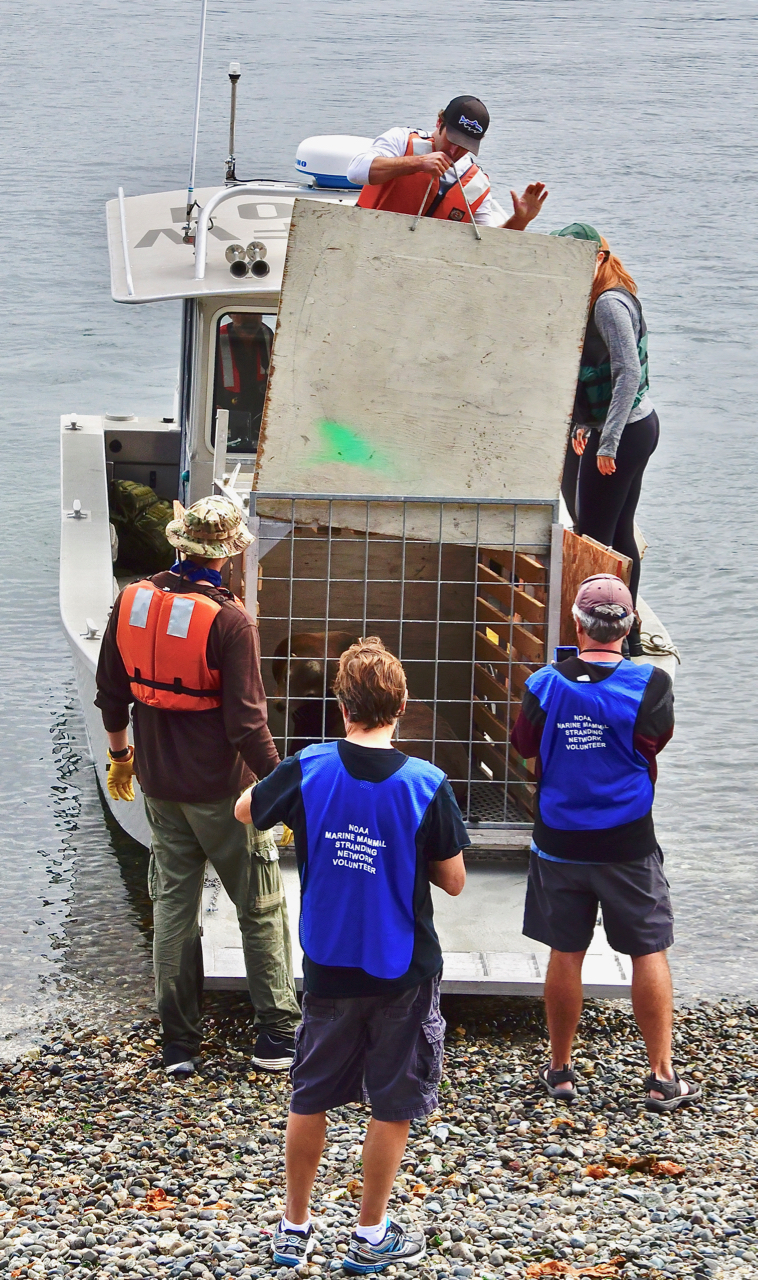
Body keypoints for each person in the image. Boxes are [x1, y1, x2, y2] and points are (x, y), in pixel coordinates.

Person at [235, 637, 468, 1272]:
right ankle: (369, 1233)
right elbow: (453, 880)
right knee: (392, 1100)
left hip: (328, 961)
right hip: (403, 966)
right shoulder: (426, 784)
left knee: (308, 1094)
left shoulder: (311, 767)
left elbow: (244, 811)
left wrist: (306, 820)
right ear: (402, 707)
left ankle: (294, 1226)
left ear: (343, 709)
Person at [94, 496, 301, 1076]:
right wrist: (282, 790)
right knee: (259, 908)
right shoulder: (231, 620)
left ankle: (179, 1045)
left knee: (174, 911)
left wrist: (120, 757)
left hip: (160, 788)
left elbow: (112, 693)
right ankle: (275, 1037)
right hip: (226, 796)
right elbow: (247, 724)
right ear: (229, 554)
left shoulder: (130, 601)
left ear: (179, 543)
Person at [511, 575, 702, 1113]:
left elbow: (523, 743)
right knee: (648, 950)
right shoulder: (650, 686)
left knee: (565, 952)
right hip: (627, 843)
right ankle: (662, 1076)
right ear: (631, 625)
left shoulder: (545, 684)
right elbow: (654, 740)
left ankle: (560, 1069)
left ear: (577, 624)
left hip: (559, 841)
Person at [554, 222, 659, 655]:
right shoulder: (606, 294)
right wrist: (585, 424)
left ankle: (602, 642)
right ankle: (628, 634)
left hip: (626, 432)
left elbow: (627, 373)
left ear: (598, 258)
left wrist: (607, 442)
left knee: (594, 536)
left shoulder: (607, 305)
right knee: (616, 532)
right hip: (636, 426)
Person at [347, 95, 547, 230]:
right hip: (367, 240)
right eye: (452, 140)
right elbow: (355, 172)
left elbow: (488, 246)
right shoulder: (401, 139)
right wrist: (417, 163)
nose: (454, 151)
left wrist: (520, 220)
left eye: (464, 145)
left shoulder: (477, 183)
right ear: (439, 123)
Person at [212, 311, 274, 453]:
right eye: (242, 312)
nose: (250, 317)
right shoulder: (214, 340)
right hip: (224, 426)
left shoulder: (269, 338)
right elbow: (201, 386)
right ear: (230, 314)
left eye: (255, 313)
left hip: (262, 426)